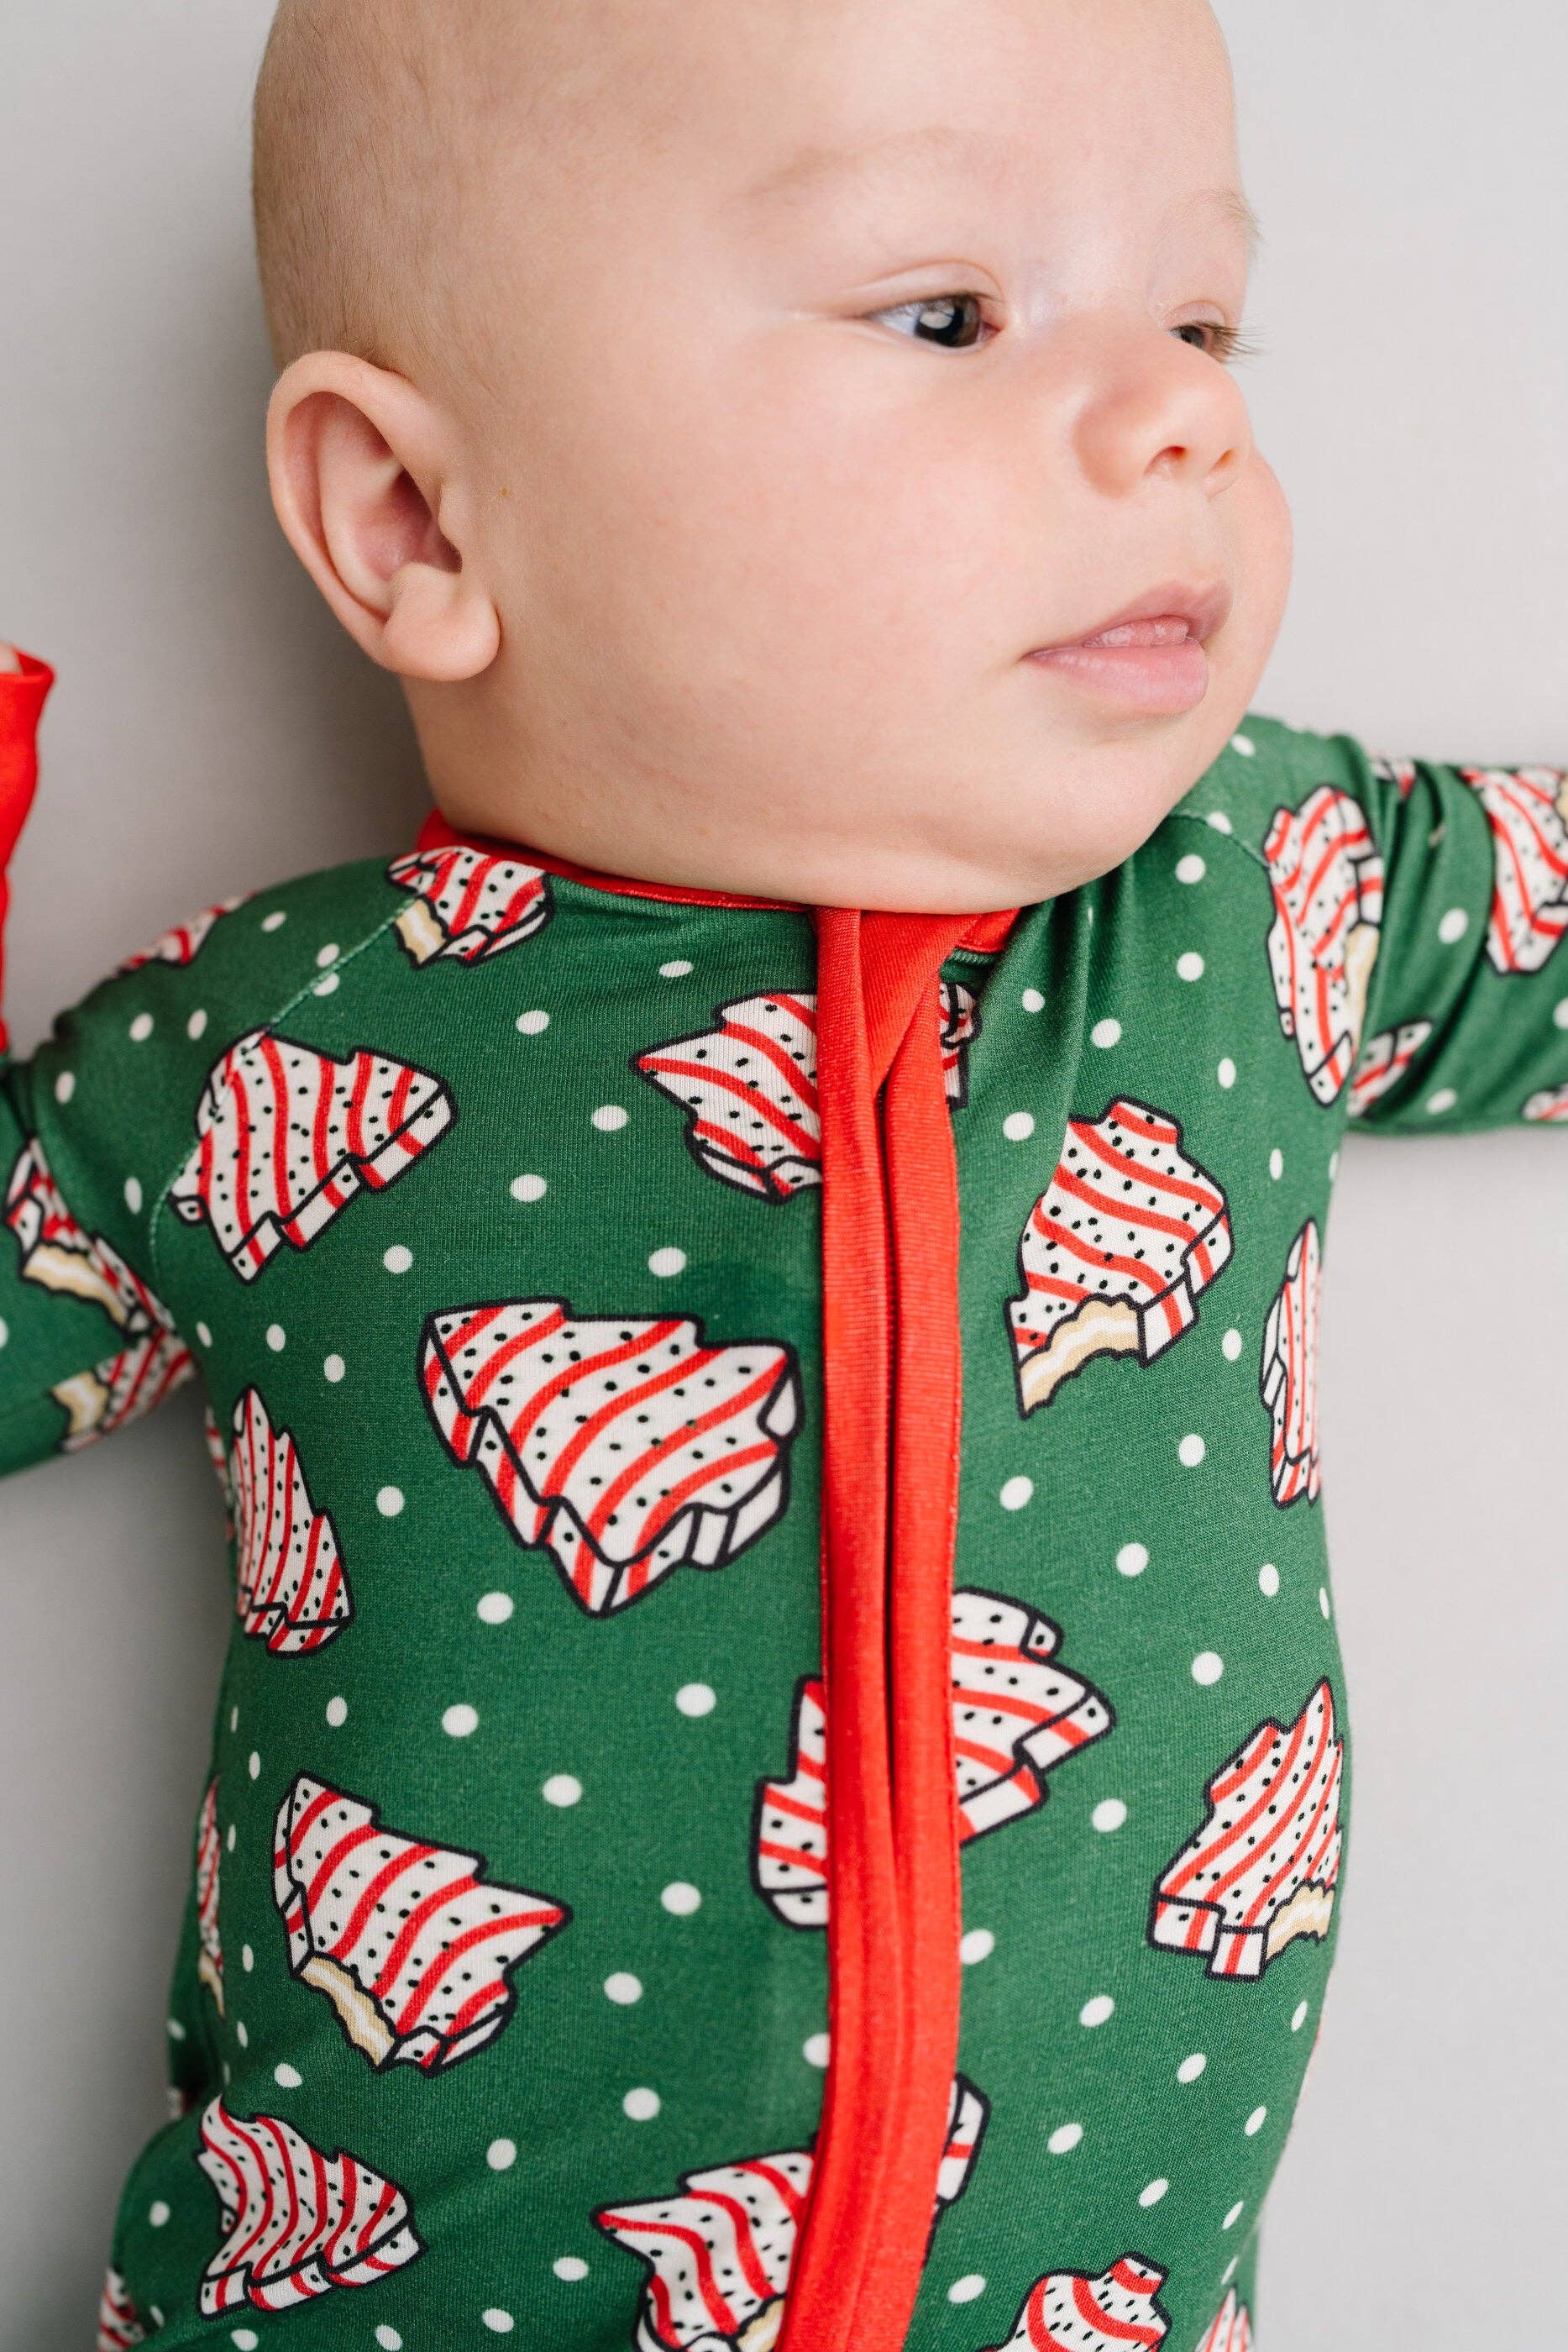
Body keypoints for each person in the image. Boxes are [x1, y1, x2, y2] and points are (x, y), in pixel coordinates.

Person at [2, 3, 1561, 2347]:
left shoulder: (1262, 890)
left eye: (1202, 318)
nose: (1185, 418)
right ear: (418, 520)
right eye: (946, 312)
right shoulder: (276, 1048)